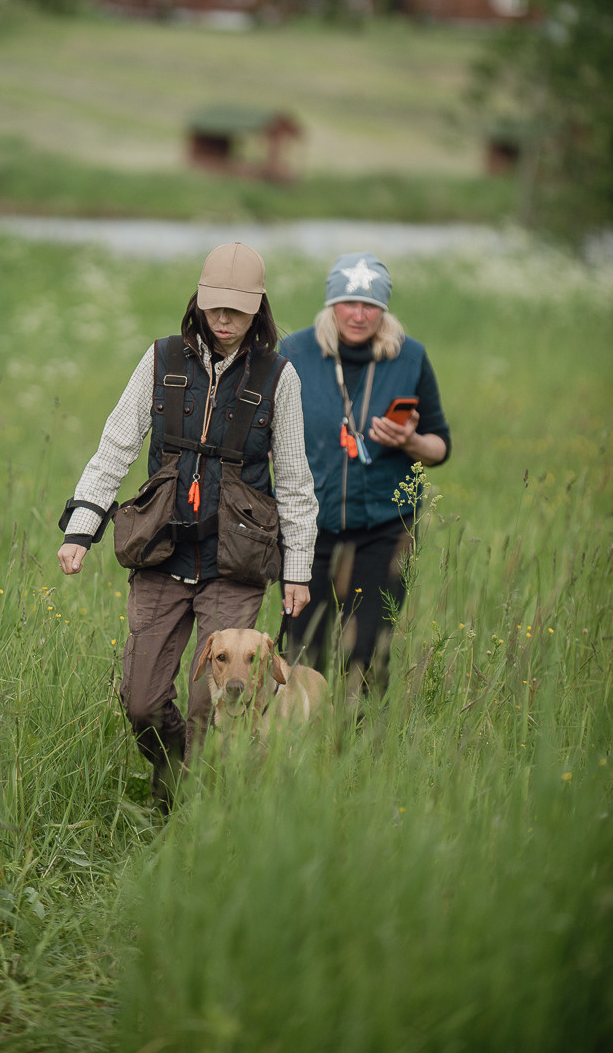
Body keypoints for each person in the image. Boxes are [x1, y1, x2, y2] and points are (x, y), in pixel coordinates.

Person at [57, 242, 318, 808]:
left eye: (237, 310)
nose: (223, 320)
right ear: (198, 301)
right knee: (143, 703)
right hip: (163, 553)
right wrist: (82, 528)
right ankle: (175, 764)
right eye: (214, 307)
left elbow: (295, 481)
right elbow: (116, 447)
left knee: (210, 702)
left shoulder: (281, 377)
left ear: (258, 309)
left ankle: (183, 808)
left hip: (236, 563)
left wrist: (297, 570)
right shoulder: (161, 360)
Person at [278, 252, 450, 707]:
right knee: (303, 649)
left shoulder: (410, 356)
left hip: (385, 527)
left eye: (370, 305)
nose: (358, 315)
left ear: (384, 309)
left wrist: (410, 439)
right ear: (331, 303)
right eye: (349, 302)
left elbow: (440, 447)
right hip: (307, 527)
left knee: (368, 651)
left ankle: (360, 756)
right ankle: (298, 751)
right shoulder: (293, 352)